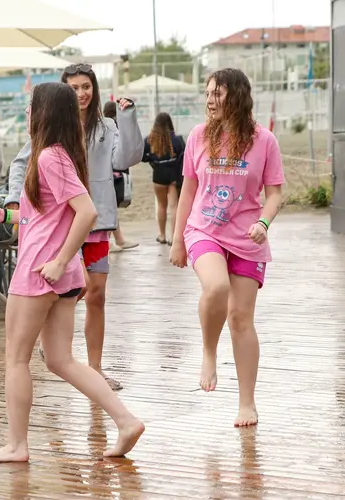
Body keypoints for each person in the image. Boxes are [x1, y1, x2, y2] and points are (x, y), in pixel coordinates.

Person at [0, 82, 144, 463]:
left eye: (30, 106)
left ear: (44, 112)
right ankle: (125, 419)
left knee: (16, 359)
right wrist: (5, 215)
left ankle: (18, 445)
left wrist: (58, 260)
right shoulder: (59, 155)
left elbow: (87, 213)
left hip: (41, 270)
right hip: (59, 271)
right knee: (60, 360)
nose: (26, 112)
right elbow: (46, 216)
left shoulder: (50, 157)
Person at [6, 64, 144, 391]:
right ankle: (54, 346)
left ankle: (93, 368)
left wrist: (127, 119)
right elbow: (22, 163)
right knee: (68, 290)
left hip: (93, 223)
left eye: (86, 86)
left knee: (94, 295)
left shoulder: (106, 127)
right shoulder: (51, 130)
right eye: (74, 88)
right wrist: (15, 202)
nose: (81, 93)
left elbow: (126, 158)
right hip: (57, 227)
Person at [169, 68, 284, 427]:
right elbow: (188, 189)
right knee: (216, 287)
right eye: (207, 93)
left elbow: (275, 194)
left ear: (237, 96)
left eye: (217, 94)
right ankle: (208, 351)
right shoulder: (199, 136)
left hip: (248, 237)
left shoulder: (264, 141)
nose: (209, 100)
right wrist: (176, 240)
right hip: (204, 229)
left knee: (241, 320)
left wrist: (263, 223)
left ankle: (247, 403)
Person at [142, 112, 185, 245]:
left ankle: (161, 235)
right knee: (174, 206)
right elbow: (183, 155)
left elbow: (143, 157)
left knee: (161, 205)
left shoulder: (150, 140)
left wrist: (153, 160)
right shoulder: (177, 140)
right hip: (173, 175)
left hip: (158, 175)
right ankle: (173, 237)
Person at [103, 100, 139, 253]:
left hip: (110, 173)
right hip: (112, 174)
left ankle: (117, 239)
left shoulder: (105, 126)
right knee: (108, 207)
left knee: (110, 208)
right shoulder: (111, 127)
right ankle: (110, 241)